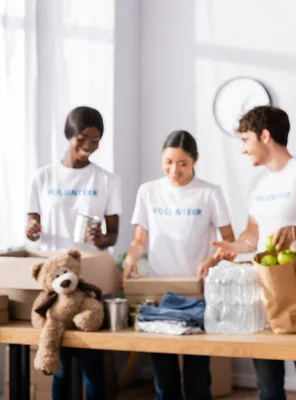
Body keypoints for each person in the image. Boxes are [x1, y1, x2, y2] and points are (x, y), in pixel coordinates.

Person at [212, 106, 296, 400]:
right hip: (266, 291)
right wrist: (235, 247)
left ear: (264, 136)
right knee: (266, 384)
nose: (243, 149)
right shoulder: (260, 184)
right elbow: (252, 235)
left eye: (245, 140)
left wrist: (295, 231)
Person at [123, 130, 235, 400]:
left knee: (198, 376)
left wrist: (212, 259)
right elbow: (140, 239)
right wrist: (130, 258)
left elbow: (229, 240)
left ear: (195, 160)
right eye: (168, 162)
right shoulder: (148, 191)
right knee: (164, 375)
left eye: (182, 163)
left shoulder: (209, 193)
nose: (174, 170)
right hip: (160, 291)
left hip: (197, 291)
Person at [26, 106, 122, 400]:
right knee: (62, 363)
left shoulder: (106, 180)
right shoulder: (43, 177)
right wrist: (32, 228)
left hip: (89, 279)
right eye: (83, 138)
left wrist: (100, 237)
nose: (89, 147)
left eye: (96, 140)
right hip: (53, 282)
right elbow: (32, 225)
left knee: (92, 364)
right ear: (69, 135)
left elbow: (112, 236)